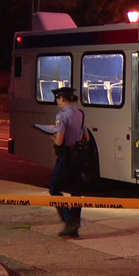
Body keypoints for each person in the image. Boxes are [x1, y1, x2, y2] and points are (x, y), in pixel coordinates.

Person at [49, 87, 88, 238]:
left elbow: (59, 142)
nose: (57, 102)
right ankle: (75, 225)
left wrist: (52, 137)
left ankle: (69, 220)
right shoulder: (80, 114)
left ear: (63, 99)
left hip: (66, 157)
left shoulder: (62, 116)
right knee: (76, 191)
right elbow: (86, 137)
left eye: (57, 99)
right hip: (78, 157)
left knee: (54, 188)